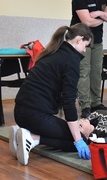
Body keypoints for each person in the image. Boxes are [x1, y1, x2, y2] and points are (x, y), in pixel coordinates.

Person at [10, 23, 93, 166]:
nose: (84, 51)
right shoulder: (71, 60)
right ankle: (33, 138)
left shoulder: (53, 51)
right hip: (35, 116)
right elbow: (68, 102)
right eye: (85, 45)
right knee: (80, 140)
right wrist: (78, 140)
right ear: (79, 39)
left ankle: (22, 131)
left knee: (70, 134)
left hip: (20, 112)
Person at [70, 0, 107, 118]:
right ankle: (85, 106)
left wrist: (99, 13)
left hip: (97, 40)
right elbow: (87, 21)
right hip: (81, 40)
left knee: (96, 72)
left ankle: (96, 103)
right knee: (84, 72)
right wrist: (104, 17)